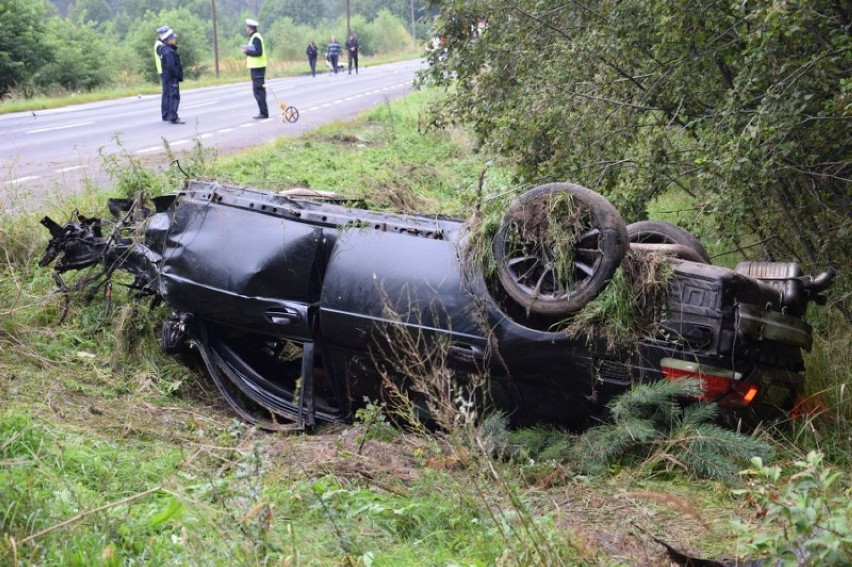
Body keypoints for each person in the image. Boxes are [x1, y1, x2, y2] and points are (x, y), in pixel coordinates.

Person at [242, 19, 268, 119]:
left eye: (247, 27)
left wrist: (247, 52)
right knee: (258, 90)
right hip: (256, 68)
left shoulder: (256, 37)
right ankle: (263, 112)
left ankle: (264, 113)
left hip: (258, 68)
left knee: (258, 91)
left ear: (250, 28)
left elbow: (259, 52)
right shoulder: (254, 37)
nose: (246, 28)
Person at [158, 29, 184, 124]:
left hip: (166, 77)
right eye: (173, 38)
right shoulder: (169, 51)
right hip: (171, 77)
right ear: (169, 40)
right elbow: (171, 66)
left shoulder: (164, 49)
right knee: (174, 96)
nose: (175, 39)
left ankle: (166, 115)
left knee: (167, 95)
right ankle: (173, 117)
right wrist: (176, 75)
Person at [154, 25, 170, 121]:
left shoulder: (161, 44)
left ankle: (166, 113)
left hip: (163, 71)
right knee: (166, 93)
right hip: (164, 71)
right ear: (160, 34)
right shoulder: (159, 45)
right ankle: (165, 114)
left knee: (167, 93)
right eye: (164, 34)